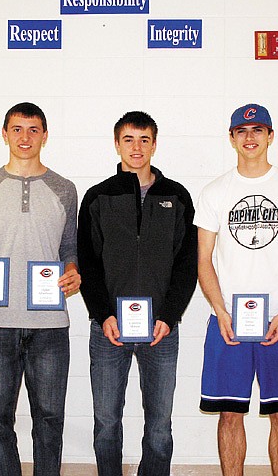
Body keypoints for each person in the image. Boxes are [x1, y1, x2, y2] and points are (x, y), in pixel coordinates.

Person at [0, 102, 80, 476]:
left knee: (49, 420)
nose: (24, 137)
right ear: (5, 134)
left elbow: (69, 250)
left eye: (33, 130)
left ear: (45, 135)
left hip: (50, 325)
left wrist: (74, 272)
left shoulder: (64, 188)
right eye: (17, 129)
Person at [196, 104, 278, 476]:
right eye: (242, 131)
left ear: (270, 136)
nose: (250, 137)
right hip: (228, 322)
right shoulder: (215, 191)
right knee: (230, 412)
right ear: (232, 138)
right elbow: (203, 260)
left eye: (258, 130)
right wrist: (220, 310)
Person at [77, 111, 197, 476]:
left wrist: (169, 315)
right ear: (117, 144)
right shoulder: (98, 196)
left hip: (161, 331)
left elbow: (186, 264)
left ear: (155, 144)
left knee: (159, 427)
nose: (137, 147)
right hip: (108, 331)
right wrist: (103, 315)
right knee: (106, 424)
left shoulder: (176, 196)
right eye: (129, 139)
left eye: (144, 139)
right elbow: (88, 263)